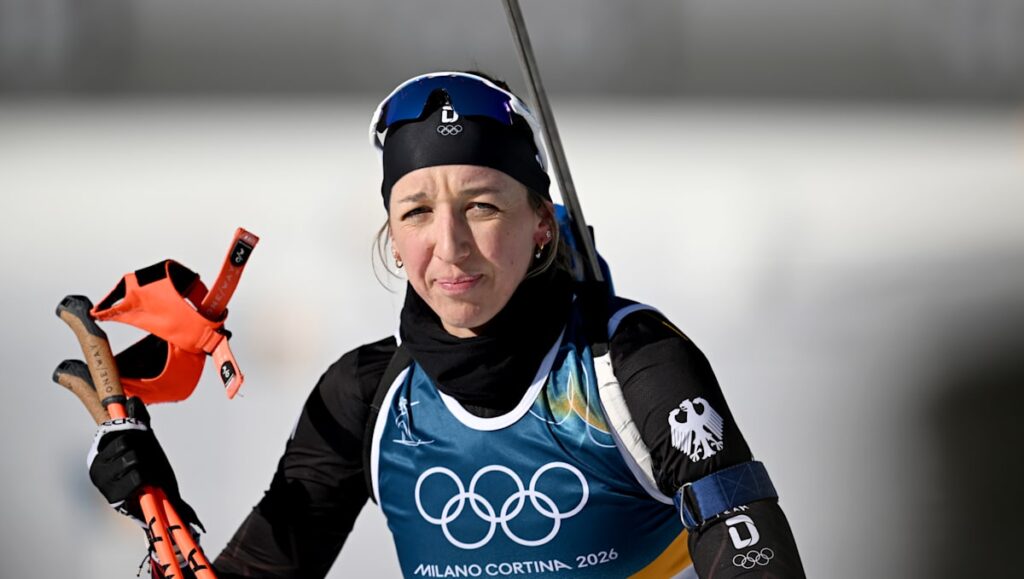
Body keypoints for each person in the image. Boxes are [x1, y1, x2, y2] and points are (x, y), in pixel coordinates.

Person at [88, 71, 806, 578]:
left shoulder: (631, 363)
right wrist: (154, 509)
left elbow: (751, 550)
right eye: (417, 213)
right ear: (392, 238)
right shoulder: (365, 395)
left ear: (540, 226)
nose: (451, 246)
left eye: (482, 206)